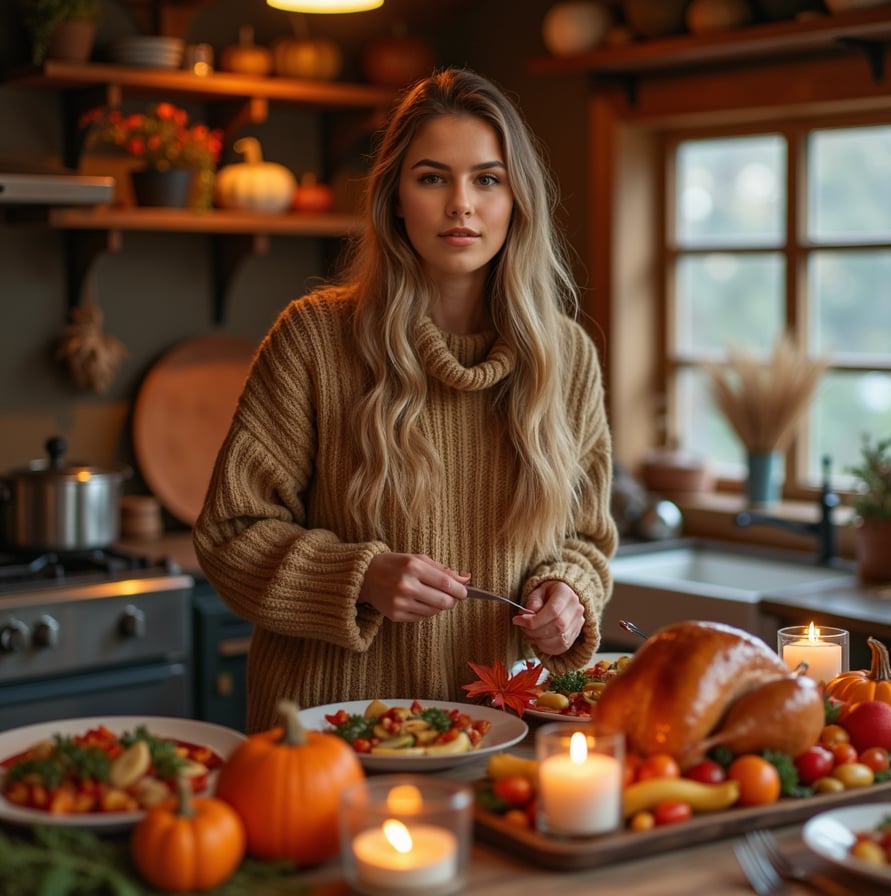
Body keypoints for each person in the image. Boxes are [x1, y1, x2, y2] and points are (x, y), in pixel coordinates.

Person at [193, 67, 618, 733]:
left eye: (487, 178)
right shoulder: (313, 340)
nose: (461, 204)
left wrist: (571, 593)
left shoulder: (567, 359)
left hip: (511, 731)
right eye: (431, 178)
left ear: (517, 199)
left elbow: (588, 537)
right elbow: (229, 536)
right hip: (337, 736)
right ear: (395, 197)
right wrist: (356, 576)